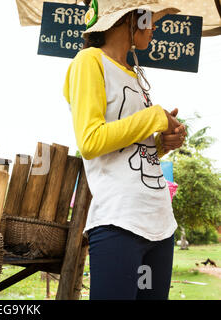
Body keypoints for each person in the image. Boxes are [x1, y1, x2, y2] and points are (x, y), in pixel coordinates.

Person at [63, 0, 187, 300]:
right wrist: (154, 117)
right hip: (119, 220)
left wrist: (161, 144)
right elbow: (91, 141)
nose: (155, 26)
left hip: (160, 220)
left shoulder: (133, 74)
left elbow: (128, 152)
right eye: (150, 18)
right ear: (129, 18)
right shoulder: (88, 61)